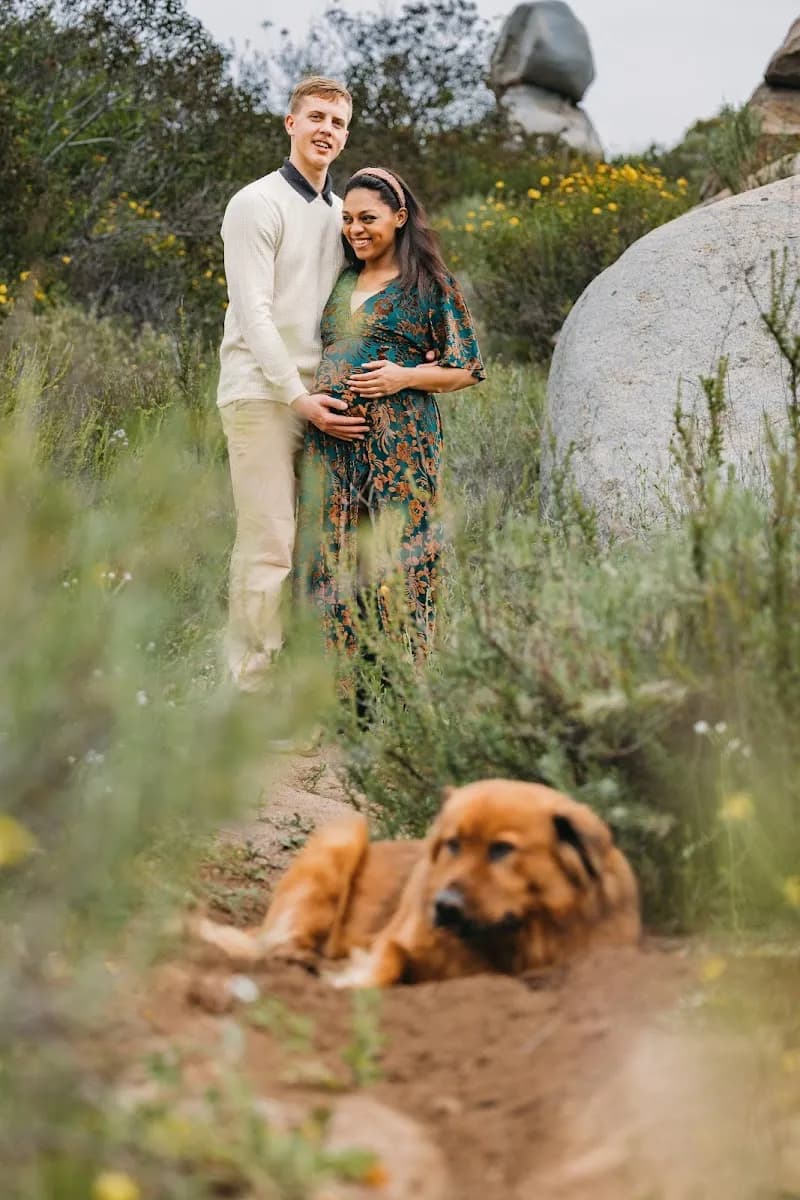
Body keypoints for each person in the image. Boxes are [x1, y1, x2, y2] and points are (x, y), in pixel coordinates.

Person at [216, 76, 369, 693]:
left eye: (337, 122)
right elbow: (252, 313)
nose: (326, 130)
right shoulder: (256, 203)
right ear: (290, 123)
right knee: (268, 543)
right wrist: (295, 394)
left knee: (318, 548)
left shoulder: (340, 214)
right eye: (316, 117)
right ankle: (250, 693)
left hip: (323, 396)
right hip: (262, 393)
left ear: (346, 135)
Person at [301, 166, 485, 671]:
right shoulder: (339, 279)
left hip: (401, 445)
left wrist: (403, 377)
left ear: (400, 218)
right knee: (333, 558)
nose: (355, 229)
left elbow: (467, 368)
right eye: (347, 219)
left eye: (368, 218)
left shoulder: (428, 283)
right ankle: (338, 697)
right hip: (332, 444)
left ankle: (403, 689)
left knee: (398, 553)